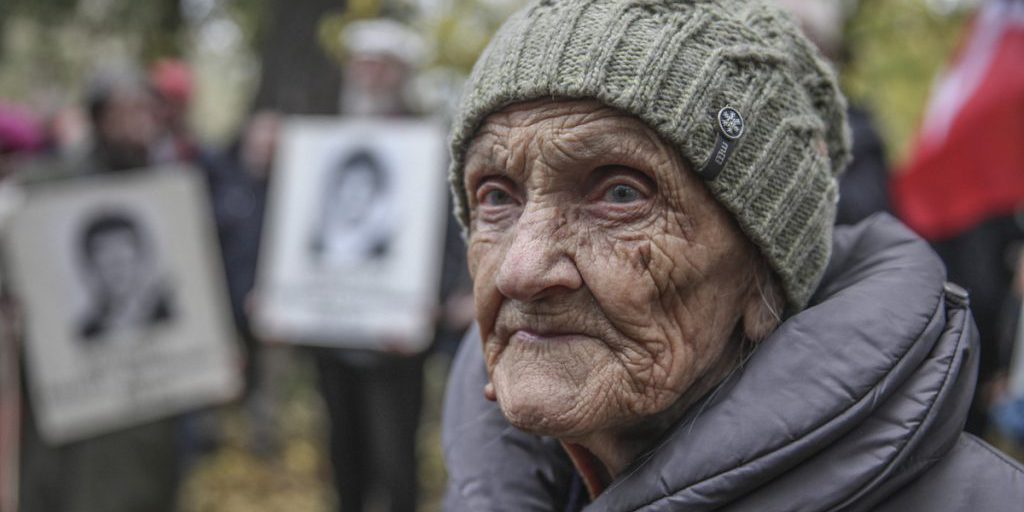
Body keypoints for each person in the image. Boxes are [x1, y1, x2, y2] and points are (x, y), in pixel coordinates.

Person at [440, 0, 1024, 510]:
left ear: (764, 274)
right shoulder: (491, 489)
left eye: (621, 193)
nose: (521, 270)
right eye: (496, 197)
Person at [76, 211, 173, 341]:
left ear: (141, 258)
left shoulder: (167, 312)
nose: (116, 266)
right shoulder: (89, 332)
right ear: (92, 268)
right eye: (105, 253)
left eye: (123, 251)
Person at [310, 148, 395, 266]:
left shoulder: (382, 249)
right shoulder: (317, 242)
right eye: (350, 183)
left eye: (363, 185)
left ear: (375, 193)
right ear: (338, 187)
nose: (355, 194)